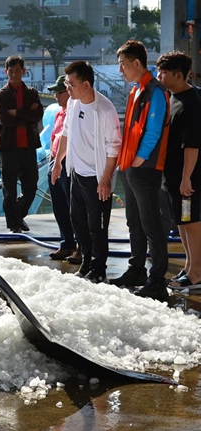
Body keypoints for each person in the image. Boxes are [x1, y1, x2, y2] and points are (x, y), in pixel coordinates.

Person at [51, 61, 122, 284]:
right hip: (76, 173)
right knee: (78, 222)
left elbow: (114, 147)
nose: (67, 89)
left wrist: (106, 179)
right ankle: (87, 262)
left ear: (86, 84)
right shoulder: (73, 102)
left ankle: (99, 268)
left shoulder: (105, 109)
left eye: (71, 84)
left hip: (97, 177)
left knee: (97, 227)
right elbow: (66, 132)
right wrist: (58, 162)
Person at [110, 40, 170, 302]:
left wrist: (139, 158)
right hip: (130, 167)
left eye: (123, 64)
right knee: (134, 221)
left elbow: (154, 130)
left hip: (144, 168)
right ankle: (136, 270)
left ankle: (157, 280)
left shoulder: (155, 90)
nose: (120, 70)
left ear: (137, 63)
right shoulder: (136, 90)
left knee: (152, 225)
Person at [155, 52, 201, 290]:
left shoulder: (191, 102)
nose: (158, 76)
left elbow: (192, 145)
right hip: (172, 174)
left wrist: (186, 178)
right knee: (182, 222)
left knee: (191, 221)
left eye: (163, 72)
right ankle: (189, 266)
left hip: (187, 177)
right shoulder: (172, 97)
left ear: (178, 75)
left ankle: (197, 273)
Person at [0, 55, 44, 233]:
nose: (14, 75)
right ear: (6, 72)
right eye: (11, 71)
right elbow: (5, 119)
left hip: (28, 146)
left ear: (24, 71)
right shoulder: (1, 95)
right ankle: (14, 225)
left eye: (18, 71)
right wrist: (26, 115)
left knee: (31, 187)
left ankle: (17, 215)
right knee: (9, 189)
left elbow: (37, 116)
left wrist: (17, 112)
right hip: (8, 147)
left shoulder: (32, 93)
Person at [46, 76, 81, 264]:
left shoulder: (76, 111)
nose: (56, 96)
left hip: (68, 162)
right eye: (55, 92)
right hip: (55, 161)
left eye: (59, 92)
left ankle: (81, 246)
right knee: (59, 206)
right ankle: (67, 243)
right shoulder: (60, 112)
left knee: (73, 207)